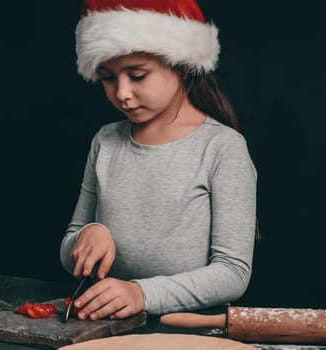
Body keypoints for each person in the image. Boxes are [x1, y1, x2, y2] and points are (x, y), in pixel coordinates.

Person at [60, 0, 258, 321]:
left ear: (181, 65)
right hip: (104, 321)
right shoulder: (105, 141)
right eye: (108, 78)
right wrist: (87, 234)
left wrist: (142, 293)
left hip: (186, 326)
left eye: (137, 75)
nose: (122, 93)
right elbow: (71, 247)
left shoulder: (222, 147)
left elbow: (233, 273)